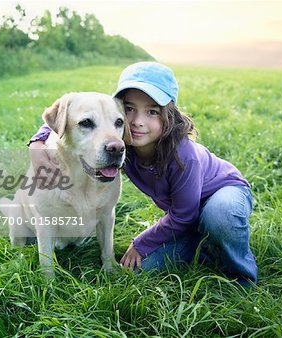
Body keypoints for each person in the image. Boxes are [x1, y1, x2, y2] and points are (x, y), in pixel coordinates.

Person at [27, 62, 258, 285]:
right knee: (141, 269)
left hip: (224, 192)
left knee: (219, 214)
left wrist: (141, 242)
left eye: (152, 111)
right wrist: (37, 141)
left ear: (169, 116)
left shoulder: (184, 155)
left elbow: (184, 213)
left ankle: (243, 276)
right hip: (185, 217)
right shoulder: (122, 138)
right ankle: (205, 242)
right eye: (129, 110)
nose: (137, 122)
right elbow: (76, 113)